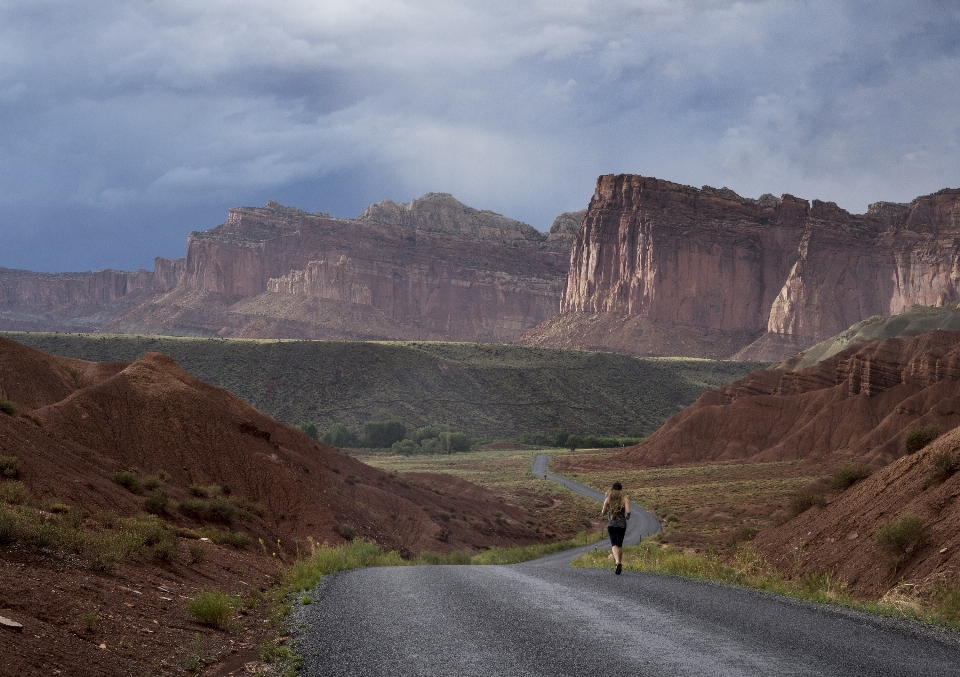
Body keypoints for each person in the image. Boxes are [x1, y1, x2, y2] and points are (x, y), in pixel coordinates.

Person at [600, 481, 630, 575]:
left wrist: (607, 508)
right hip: (622, 525)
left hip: (612, 524)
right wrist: (627, 516)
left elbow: (603, 513)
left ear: (612, 490)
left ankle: (617, 563)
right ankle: (619, 563)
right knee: (620, 544)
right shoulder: (624, 500)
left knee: (614, 544)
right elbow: (628, 512)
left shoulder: (608, 499)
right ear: (621, 490)